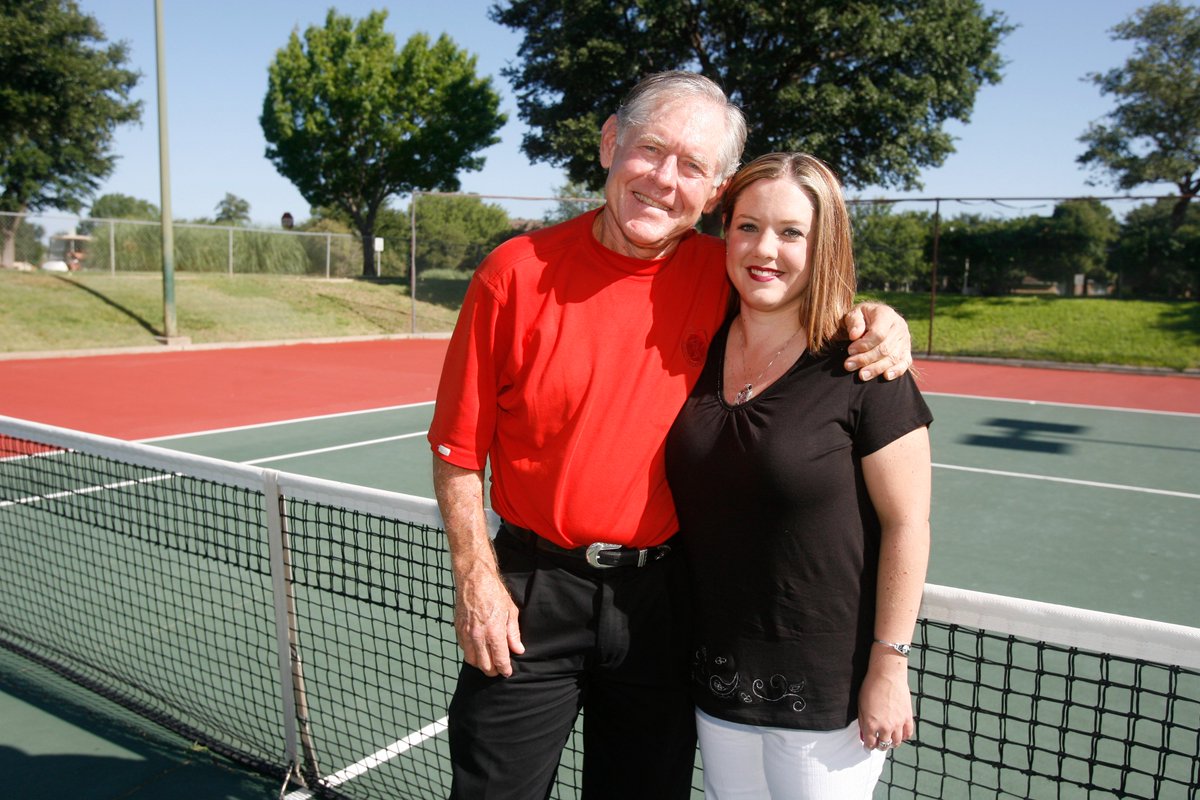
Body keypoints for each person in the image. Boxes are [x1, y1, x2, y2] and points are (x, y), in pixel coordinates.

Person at [428, 72, 914, 800]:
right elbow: (458, 453)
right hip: (531, 595)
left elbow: (802, 289)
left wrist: (877, 317)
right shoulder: (512, 275)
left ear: (714, 191)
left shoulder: (723, 280)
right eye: (650, 150)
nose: (663, 180)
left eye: (692, 167)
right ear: (608, 144)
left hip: (665, 603)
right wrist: (477, 579)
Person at [664, 152, 932, 799]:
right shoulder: (697, 346)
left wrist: (888, 667)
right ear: (724, 233)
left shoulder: (865, 364)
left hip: (828, 700)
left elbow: (907, 524)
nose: (765, 250)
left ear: (824, 245)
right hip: (720, 683)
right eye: (748, 226)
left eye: (791, 232)